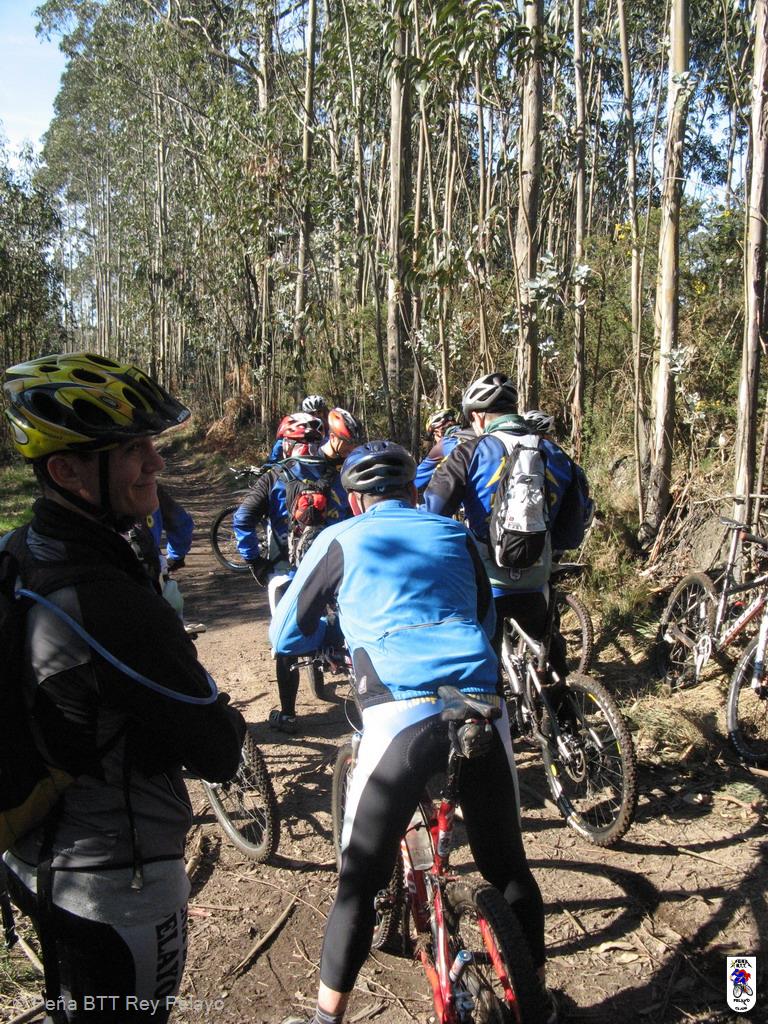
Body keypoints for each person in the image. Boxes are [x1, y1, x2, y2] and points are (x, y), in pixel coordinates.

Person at [270, 440, 555, 1024]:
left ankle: (326, 1017)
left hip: (397, 714)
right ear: (413, 492)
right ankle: (537, 999)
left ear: (355, 501)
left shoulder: (339, 538)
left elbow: (285, 635)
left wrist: (336, 637)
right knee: (507, 865)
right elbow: (486, 619)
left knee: (358, 884)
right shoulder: (454, 534)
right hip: (480, 704)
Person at [1, 352, 246, 1024]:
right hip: (114, 885)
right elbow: (218, 754)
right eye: (134, 449)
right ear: (67, 471)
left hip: (32, 852)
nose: (156, 463)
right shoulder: (105, 602)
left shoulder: (19, 550)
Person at [423, 372, 590, 689]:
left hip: (486, 586)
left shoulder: (469, 452)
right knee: (551, 660)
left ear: (477, 416)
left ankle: (495, 714)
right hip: (537, 583)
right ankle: (565, 712)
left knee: (484, 676)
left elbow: (432, 514)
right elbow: (571, 534)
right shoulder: (555, 454)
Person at [233, 412, 354, 733]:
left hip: (287, 573)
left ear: (286, 444)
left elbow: (243, 518)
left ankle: (288, 714)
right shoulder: (338, 475)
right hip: (336, 570)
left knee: (285, 643)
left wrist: (255, 561)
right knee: (351, 630)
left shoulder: (274, 476)